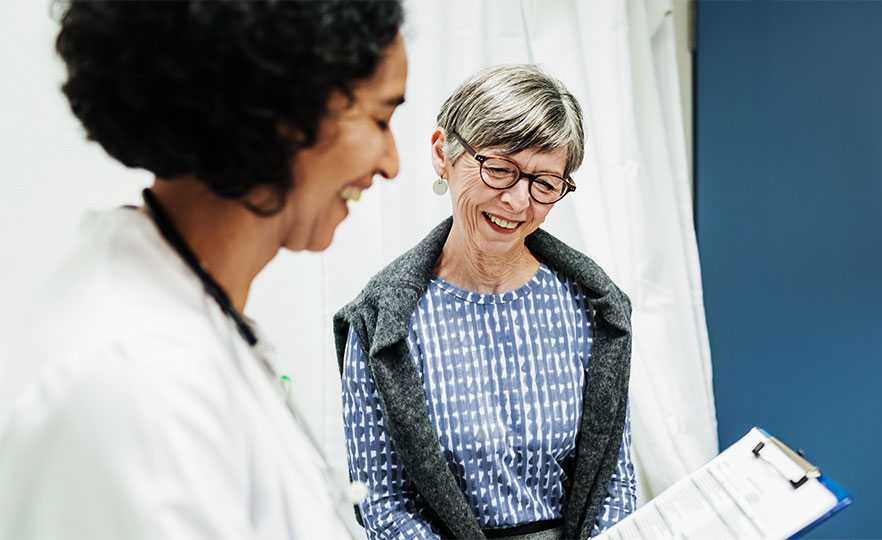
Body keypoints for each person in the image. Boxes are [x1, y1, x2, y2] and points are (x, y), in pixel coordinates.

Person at [0, 1, 406, 538]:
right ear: (284, 114)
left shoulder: (192, 319)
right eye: (380, 118)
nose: (391, 162)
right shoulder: (133, 379)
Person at [337, 65, 636, 540]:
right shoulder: (380, 322)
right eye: (499, 169)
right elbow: (383, 503)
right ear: (443, 154)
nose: (518, 202)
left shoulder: (594, 309)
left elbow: (613, 479)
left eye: (544, 183)